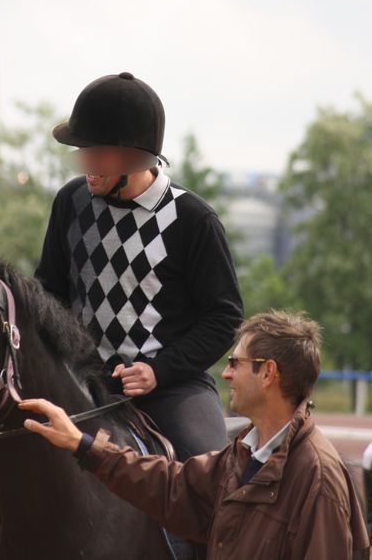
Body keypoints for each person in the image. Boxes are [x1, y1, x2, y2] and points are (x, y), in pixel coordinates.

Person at [20, 310, 370, 560]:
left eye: (236, 363)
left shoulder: (318, 477)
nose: (228, 374)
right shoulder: (243, 454)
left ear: (268, 374)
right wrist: (82, 445)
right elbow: (170, 486)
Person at [35, 71, 244, 462]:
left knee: (204, 472)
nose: (86, 163)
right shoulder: (71, 201)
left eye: (97, 152)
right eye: (83, 151)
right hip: (79, 381)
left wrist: (159, 372)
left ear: (134, 156)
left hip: (170, 388)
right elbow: (49, 291)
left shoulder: (193, 220)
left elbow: (224, 317)